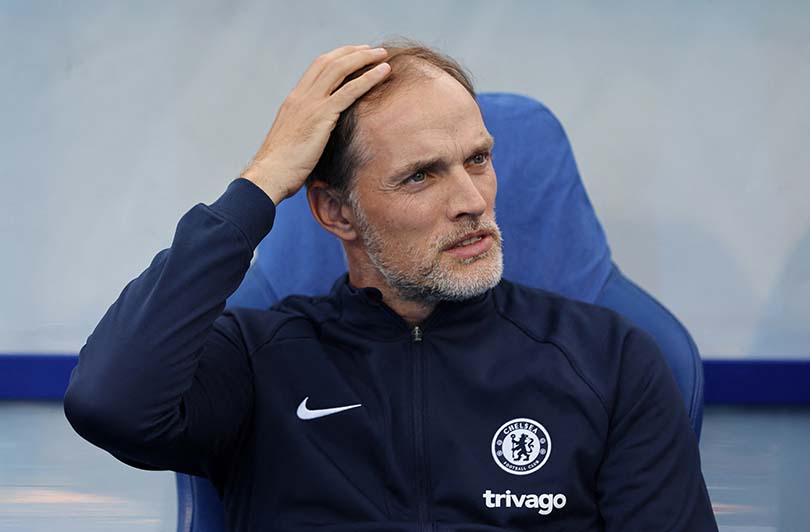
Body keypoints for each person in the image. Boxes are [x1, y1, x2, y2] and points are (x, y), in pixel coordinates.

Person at [64, 41, 718, 531]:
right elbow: (109, 403)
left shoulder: (610, 359)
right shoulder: (259, 361)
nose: (471, 201)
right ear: (336, 212)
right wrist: (261, 182)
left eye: (478, 160)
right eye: (420, 176)